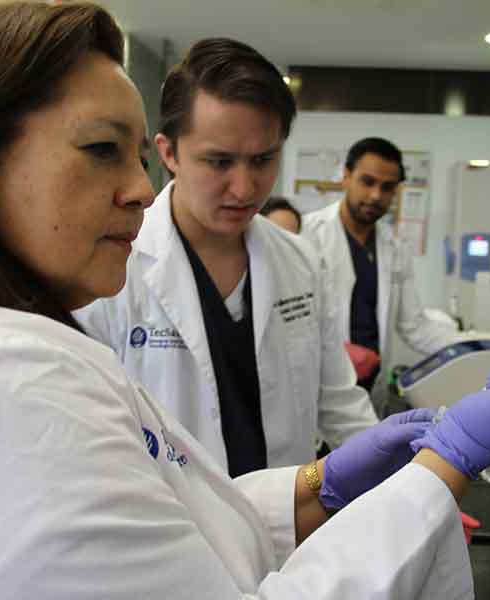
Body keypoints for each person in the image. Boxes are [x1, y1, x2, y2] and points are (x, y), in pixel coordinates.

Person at [0, 4, 490, 598]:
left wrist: (330, 480)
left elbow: (165, 511)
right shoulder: (0, 388)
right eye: (102, 150)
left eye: (263, 161)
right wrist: (444, 467)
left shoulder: (12, 346)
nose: (135, 189)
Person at [74, 38, 379, 476]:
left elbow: (340, 406)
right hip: (167, 529)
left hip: (287, 527)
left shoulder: (301, 263)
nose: (245, 187)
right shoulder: (109, 269)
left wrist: (408, 488)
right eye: (219, 162)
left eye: (263, 159)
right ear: (168, 153)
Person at [301, 137, 463, 401]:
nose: (376, 195)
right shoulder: (306, 235)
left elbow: (415, 328)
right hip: (318, 389)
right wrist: (335, 351)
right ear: (346, 177)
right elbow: (285, 323)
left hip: (369, 390)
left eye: (387, 187)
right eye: (367, 182)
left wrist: (486, 343)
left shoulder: (395, 248)